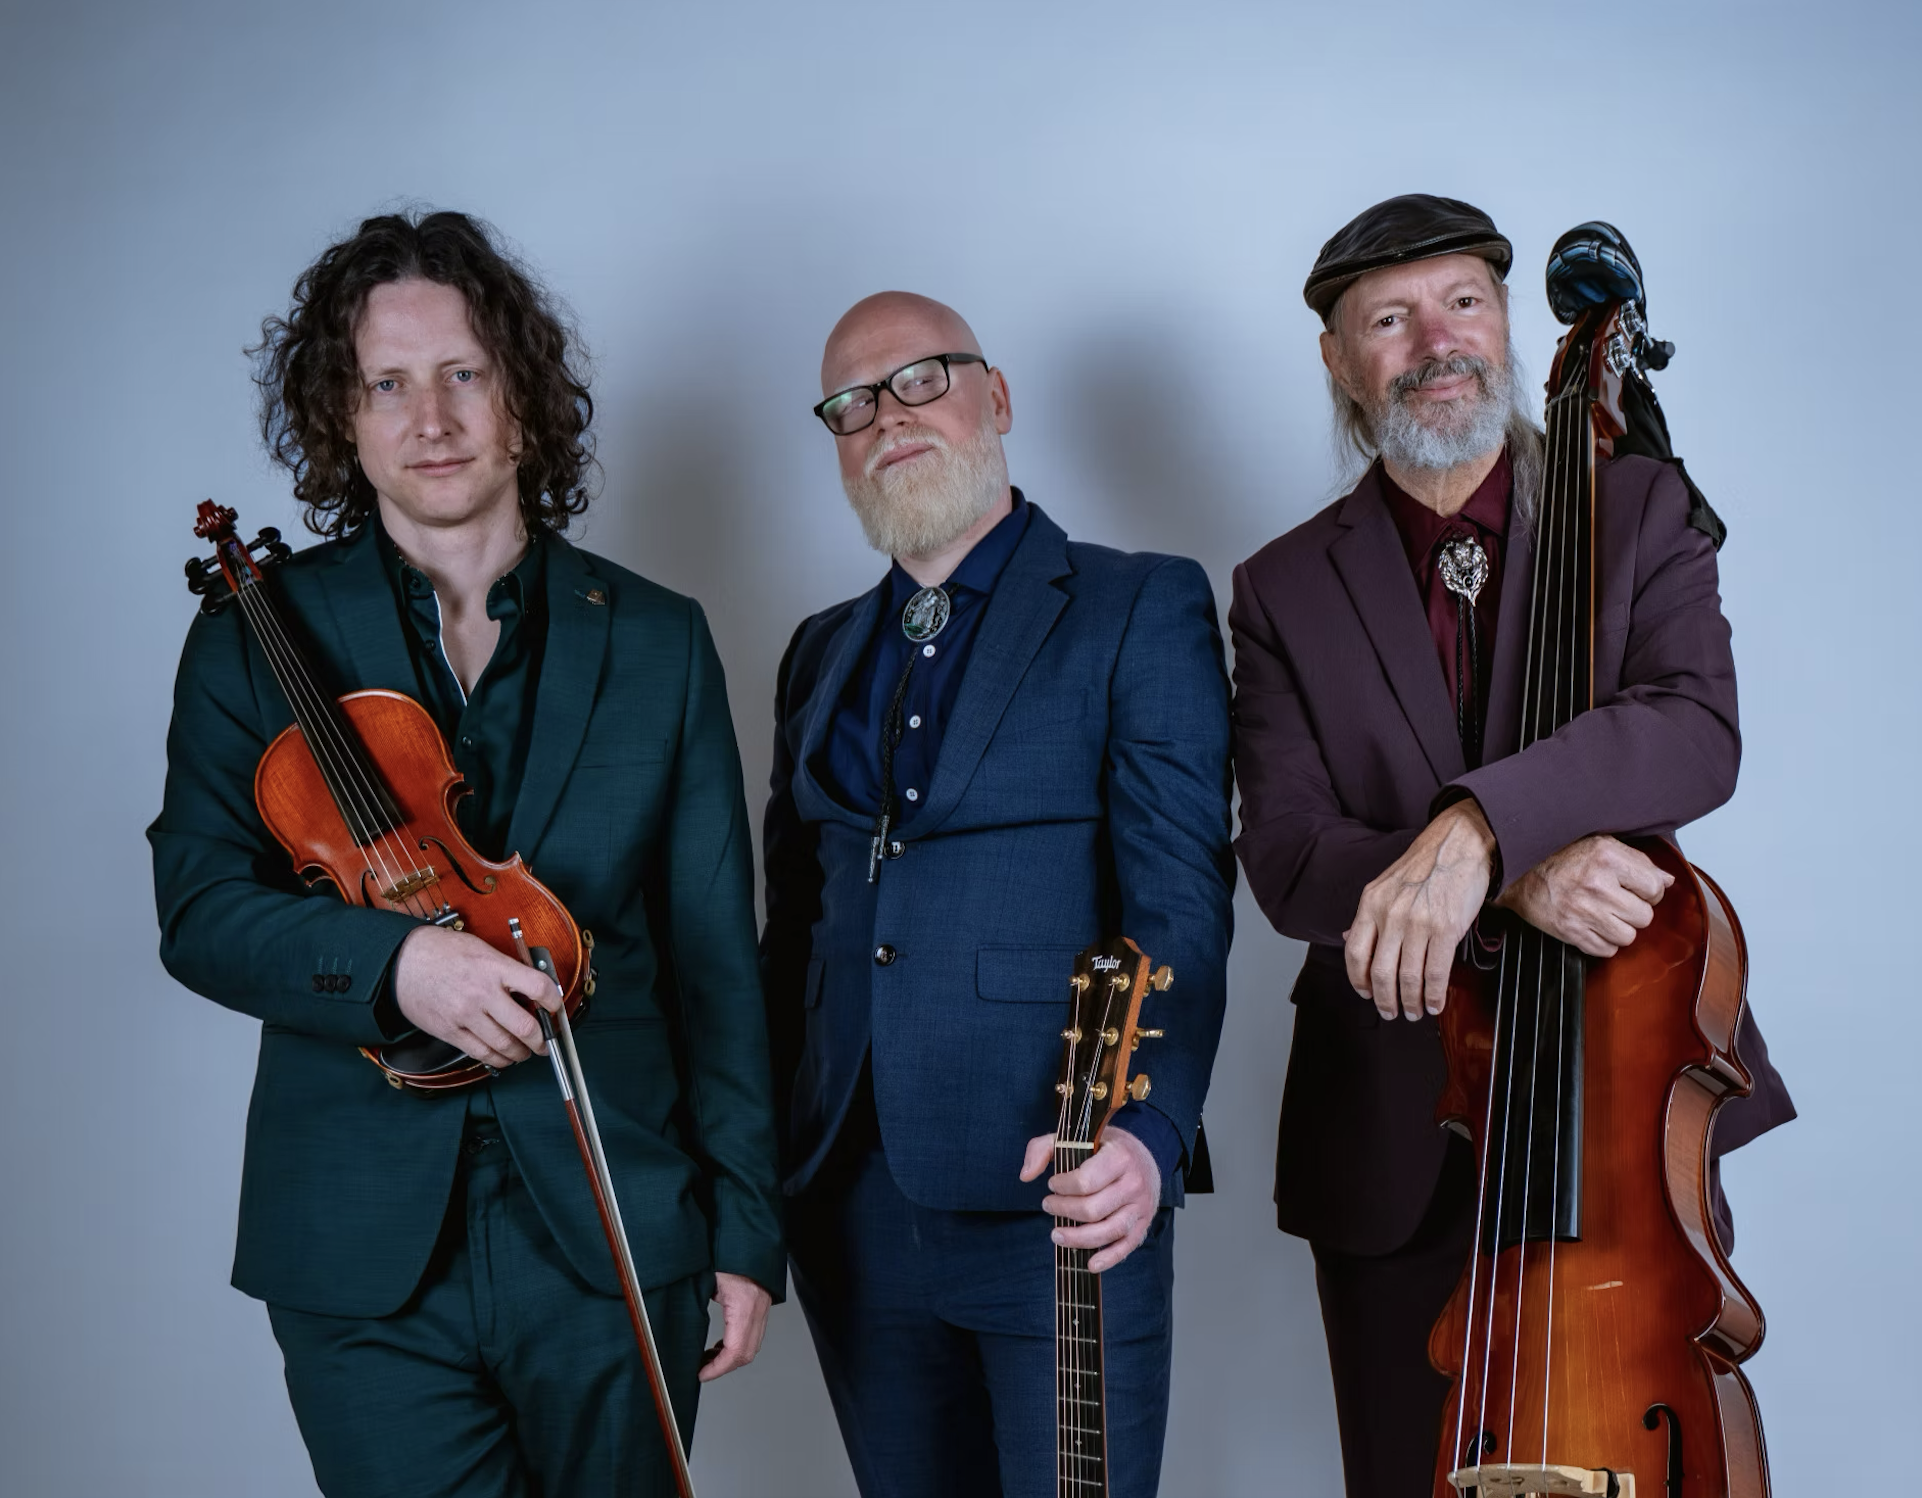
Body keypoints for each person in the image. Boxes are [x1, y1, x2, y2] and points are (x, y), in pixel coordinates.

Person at [148, 209, 784, 1497]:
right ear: (343, 416)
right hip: (361, 1252)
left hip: (614, 1225)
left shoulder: (657, 639)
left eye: (463, 375)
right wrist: (400, 968)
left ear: (523, 400)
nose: (429, 419)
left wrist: (744, 1230)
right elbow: (201, 909)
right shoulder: (252, 639)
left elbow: (716, 956)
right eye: (387, 384)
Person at [1228, 195, 1795, 1498]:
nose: (1437, 342)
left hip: (1615, 1100)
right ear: (1337, 360)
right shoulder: (1279, 587)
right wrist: (1517, 875)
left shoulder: (1637, 506)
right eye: (1388, 319)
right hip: (1390, 1121)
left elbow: (1693, 729)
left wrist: (1476, 831)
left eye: (1463, 303)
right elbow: (1292, 858)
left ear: (1501, 320)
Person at [760, 291, 1234, 1498]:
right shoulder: (816, 651)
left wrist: (1150, 1133)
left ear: (997, 397)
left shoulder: (1137, 603)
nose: (887, 418)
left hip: (1060, 1185)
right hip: (850, 1207)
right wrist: (759, 1177)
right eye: (851, 404)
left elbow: (1180, 897)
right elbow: (792, 934)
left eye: (920, 380)